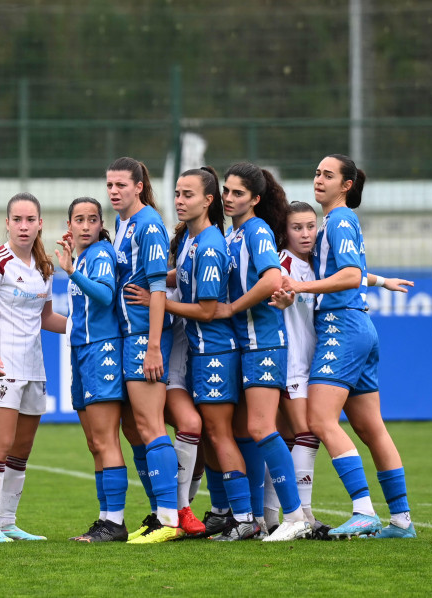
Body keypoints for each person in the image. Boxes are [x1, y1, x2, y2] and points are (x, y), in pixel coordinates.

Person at [278, 154, 415, 539]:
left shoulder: (338, 219)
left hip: (342, 328)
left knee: (320, 421)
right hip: (360, 325)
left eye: (328, 175)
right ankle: (402, 521)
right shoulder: (338, 222)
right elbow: (352, 271)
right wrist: (382, 280)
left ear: (346, 185)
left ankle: (363, 512)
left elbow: (349, 274)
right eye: (317, 173)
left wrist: (301, 286)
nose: (318, 179)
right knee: (372, 428)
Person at [125, 167, 254, 541]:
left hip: (214, 350)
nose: (179, 201)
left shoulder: (211, 244)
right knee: (203, 431)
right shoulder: (191, 241)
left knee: (217, 432)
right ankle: (203, 511)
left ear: (208, 201)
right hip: (195, 351)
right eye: (177, 194)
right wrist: (154, 279)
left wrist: (158, 302)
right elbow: (181, 280)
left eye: (188, 195)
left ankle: (243, 516)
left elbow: (208, 309)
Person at [216, 162, 310, 541]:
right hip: (245, 344)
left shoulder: (255, 231)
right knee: (243, 429)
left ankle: (295, 516)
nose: (229, 197)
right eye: (226, 190)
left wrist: (233, 308)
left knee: (259, 427)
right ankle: (254, 517)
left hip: (263, 343)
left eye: (238, 193)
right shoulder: (233, 235)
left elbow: (272, 278)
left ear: (255, 199)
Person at [0, 192, 67, 543]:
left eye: (31, 220)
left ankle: (9, 521)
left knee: (22, 451)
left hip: (34, 368)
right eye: (17, 220)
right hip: (0, 366)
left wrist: (85, 326)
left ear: (40, 224)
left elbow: (47, 318)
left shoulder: (45, 267)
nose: (24, 226)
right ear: (7, 223)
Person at [106, 156, 181, 544]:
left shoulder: (149, 224)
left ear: (138, 186)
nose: (114, 191)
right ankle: (158, 514)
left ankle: (170, 518)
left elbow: (157, 289)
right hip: (128, 335)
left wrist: (153, 346)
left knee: (150, 425)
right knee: (134, 427)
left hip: (144, 338)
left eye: (121, 185)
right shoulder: (122, 224)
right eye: (110, 185)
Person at [54, 197, 128, 543]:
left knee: (105, 439)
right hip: (82, 352)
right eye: (79, 220)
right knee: (93, 443)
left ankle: (115, 523)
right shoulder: (82, 258)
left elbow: (103, 295)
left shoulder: (99, 255)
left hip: (102, 351)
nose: (85, 226)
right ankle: (104, 519)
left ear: (101, 225)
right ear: (69, 225)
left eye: (92, 219)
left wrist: (71, 272)